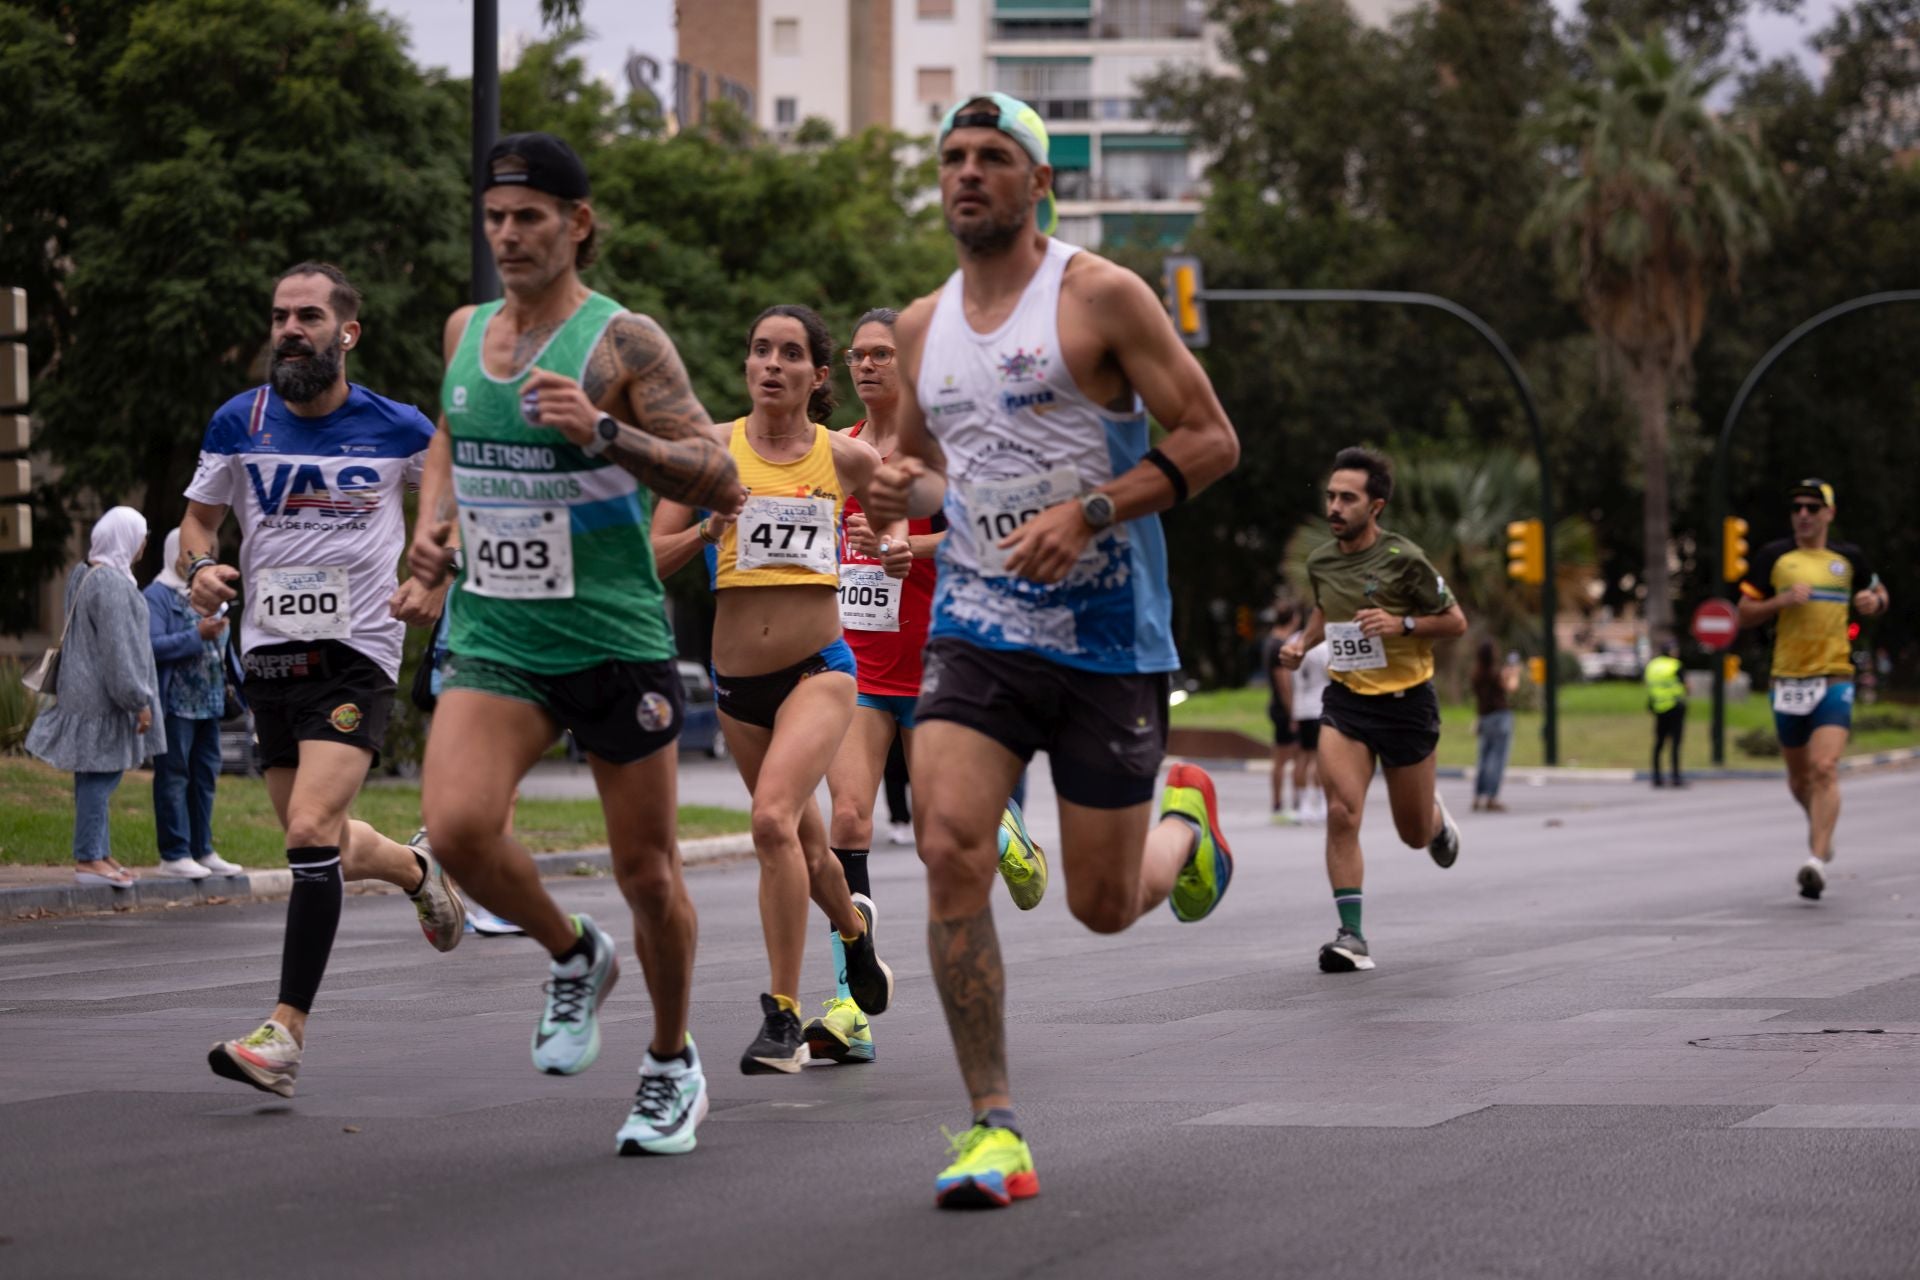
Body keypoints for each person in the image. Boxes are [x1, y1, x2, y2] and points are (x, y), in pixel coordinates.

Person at [862, 92, 1241, 1209]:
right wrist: (896, 490)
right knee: (949, 845)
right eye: (953, 157)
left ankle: (1188, 826)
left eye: (993, 157)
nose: (968, 173)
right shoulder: (923, 327)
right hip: (978, 627)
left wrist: (1092, 510)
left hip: (1108, 636)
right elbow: (925, 468)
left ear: (1039, 184)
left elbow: (1212, 438)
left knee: (1103, 904)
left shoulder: (1100, 297)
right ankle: (994, 1124)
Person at [409, 132, 746, 1154]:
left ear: (577, 223)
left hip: (611, 638)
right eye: (495, 217)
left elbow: (720, 476)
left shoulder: (622, 343)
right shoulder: (467, 329)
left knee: (648, 873)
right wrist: (434, 528)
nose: (508, 235)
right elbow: (449, 437)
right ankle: (572, 952)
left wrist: (605, 432)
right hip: (500, 633)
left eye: (530, 218)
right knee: (456, 830)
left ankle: (671, 1061)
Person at [181, 261, 467, 1100]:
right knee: (326, 842)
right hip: (270, 653)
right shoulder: (239, 421)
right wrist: (199, 568)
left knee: (309, 826)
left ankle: (284, 1035)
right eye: (279, 317)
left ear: (348, 333)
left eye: (307, 316)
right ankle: (416, 871)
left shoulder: (397, 426)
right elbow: (198, 520)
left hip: (357, 652)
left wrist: (436, 574)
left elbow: (454, 505)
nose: (289, 331)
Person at [650, 303, 896, 1078]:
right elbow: (648, 557)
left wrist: (885, 542)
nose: (772, 364)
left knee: (769, 821)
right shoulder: (706, 450)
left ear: (817, 376)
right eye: (761, 349)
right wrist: (706, 530)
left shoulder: (844, 457)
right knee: (808, 849)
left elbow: (897, 521)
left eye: (790, 354)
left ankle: (782, 1016)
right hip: (737, 685)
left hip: (819, 670)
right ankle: (855, 932)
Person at [1279, 446, 1468, 975]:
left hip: (1407, 705)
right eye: (1331, 496)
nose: (1334, 507)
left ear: (1375, 506)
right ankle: (1352, 936)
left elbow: (1455, 622)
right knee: (1341, 812)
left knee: (1412, 834)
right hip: (1347, 700)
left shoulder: (1404, 558)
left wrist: (1401, 625)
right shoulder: (1321, 561)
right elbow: (1326, 609)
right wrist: (1301, 643)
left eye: (1348, 498)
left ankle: (1435, 822)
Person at [1735, 479, 1889, 901]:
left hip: (1834, 676)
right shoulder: (1773, 557)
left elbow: (1879, 592)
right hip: (1787, 679)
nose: (1803, 514)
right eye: (1797, 507)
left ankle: (1816, 862)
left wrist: (1874, 602)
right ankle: (1822, 829)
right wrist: (1779, 602)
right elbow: (1743, 612)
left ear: (1829, 514)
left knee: (1824, 767)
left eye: (1812, 507)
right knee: (1799, 780)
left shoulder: (1848, 558)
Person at [26, 507, 166, 887]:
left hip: (84, 693)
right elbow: (119, 651)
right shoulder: (112, 586)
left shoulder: (85, 573)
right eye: (140, 535)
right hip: (103, 700)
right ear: (125, 538)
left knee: (94, 775)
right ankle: (89, 858)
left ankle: (99, 853)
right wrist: (138, 700)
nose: (143, 543)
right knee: (100, 778)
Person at [144, 528, 243, 878]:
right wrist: (196, 635)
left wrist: (242, 686)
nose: (200, 559)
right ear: (174, 553)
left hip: (210, 702)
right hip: (176, 703)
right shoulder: (157, 595)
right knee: (174, 776)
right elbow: (151, 645)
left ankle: (202, 850)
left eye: (205, 552)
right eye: (190, 553)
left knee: (204, 777)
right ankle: (174, 853)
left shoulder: (211, 594)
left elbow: (224, 650)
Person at [1471, 641, 1521, 811]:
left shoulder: (1476, 675)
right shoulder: (1497, 673)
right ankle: (1492, 797)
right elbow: (1512, 687)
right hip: (1500, 717)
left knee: (1484, 758)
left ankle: (1478, 795)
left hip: (1484, 718)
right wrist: (1515, 674)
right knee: (1498, 758)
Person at [1261, 605, 1299, 822]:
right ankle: (1286, 804)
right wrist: (1292, 711)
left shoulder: (1270, 641)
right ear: (1293, 618)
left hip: (1276, 705)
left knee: (1281, 758)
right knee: (1289, 758)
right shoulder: (1280, 646)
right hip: (1283, 708)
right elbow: (1283, 682)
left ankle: (1280, 804)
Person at [1289, 631, 1330, 825]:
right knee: (1319, 758)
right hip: (1318, 706)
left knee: (1302, 758)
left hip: (1301, 706)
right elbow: (1330, 672)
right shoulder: (1322, 644)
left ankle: (1302, 805)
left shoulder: (1293, 642)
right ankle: (1321, 803)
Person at [1642, 638, 1686, 790]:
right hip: (1675, 707)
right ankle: (1676, 777)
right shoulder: (1675, 665)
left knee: (1658, 743)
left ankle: (1656, 777)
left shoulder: (1652, 665)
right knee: (1675, 744)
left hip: (1658, 707)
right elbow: (1685, 685)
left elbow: (1648, 685)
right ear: (1671, 651)